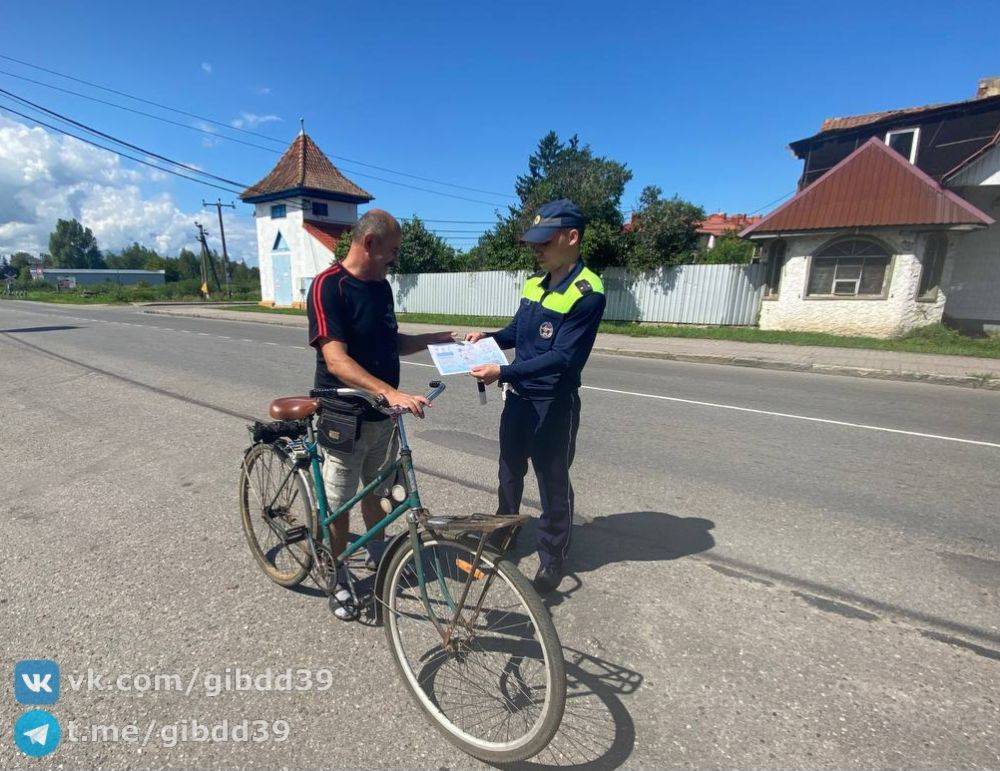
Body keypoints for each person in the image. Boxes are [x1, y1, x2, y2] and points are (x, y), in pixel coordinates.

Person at [307, 209, 452, 618]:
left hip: (382, 417)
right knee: (337, 505)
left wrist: (441, 339)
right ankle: (337, 576)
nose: (395, 259)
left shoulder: (381, 288)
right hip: (344, 417)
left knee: (378, 490)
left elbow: (393, 343)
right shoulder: (328, 287)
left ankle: (377, 552)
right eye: (393, 251)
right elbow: (335, 359)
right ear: (369, 244)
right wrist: (390, 391)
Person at [468, 199, 606, 593]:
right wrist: (489, 338)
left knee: (552, 480)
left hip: (553, 403)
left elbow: (562, 357)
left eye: (545, 242)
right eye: (534, 242)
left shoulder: (587, 292)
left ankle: (552, 555)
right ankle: (505, 531)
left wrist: (502, 370)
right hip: (519, 397)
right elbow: (517, 332)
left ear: (572, 237)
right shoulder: (535, 283)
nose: (537, 249)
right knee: (509, 471)